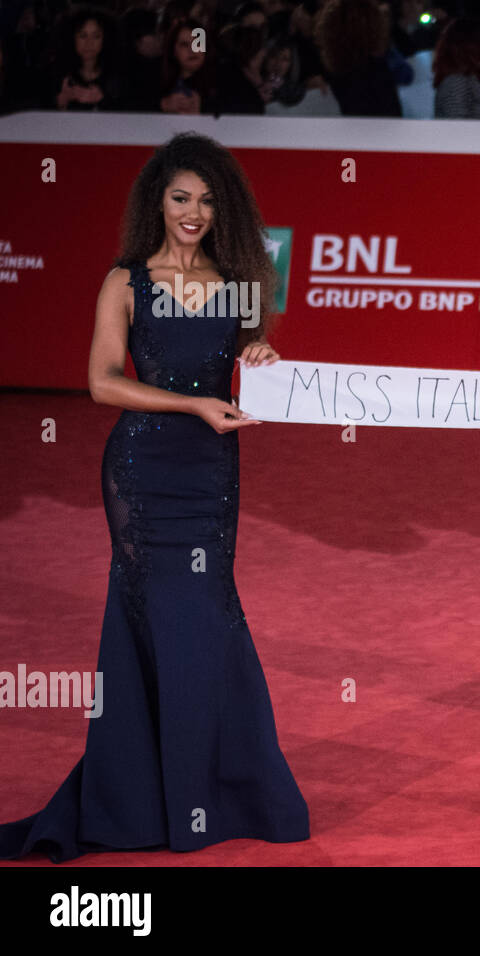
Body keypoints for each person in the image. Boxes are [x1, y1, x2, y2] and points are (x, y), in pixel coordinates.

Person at [0, 132, 309, 862]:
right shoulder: (125, 282)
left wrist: (259, 352)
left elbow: (246, 359)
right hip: (142, 472)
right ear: (157, 203)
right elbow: (103, 381)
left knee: (208, 620)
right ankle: (139, 799)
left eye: (205, 200)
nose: (193, 213)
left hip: (211, 474)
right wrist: (191, 404)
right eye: (180, 198)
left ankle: (220, 796)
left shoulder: (240, 280)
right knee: (147, 620)